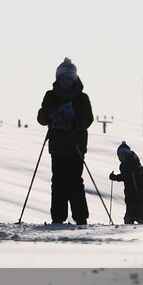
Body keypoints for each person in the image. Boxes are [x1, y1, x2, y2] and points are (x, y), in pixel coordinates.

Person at [36, 58, 93, 225]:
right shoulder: (50, 96)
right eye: (63, 78)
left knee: (74, 180)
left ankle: (80, 217)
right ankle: (58, 217)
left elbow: (87, 119)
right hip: (57, 146)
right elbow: (41, 118)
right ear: (58, 78)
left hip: (75, 146)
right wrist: (50, 115)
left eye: (68, 78)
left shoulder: (81, 98)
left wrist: (73, 124)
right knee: (58, 181)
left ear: (74, 79)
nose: (65, 81)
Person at [109, 141, 143, 224]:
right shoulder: (133, 161)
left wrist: (115, 177)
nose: (119, 158)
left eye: (120, 155)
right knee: (135, 217)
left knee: (133, 217)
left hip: (137, 195)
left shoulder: (129, 163)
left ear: (124, 154)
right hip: (134, 195)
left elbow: (126, 176)